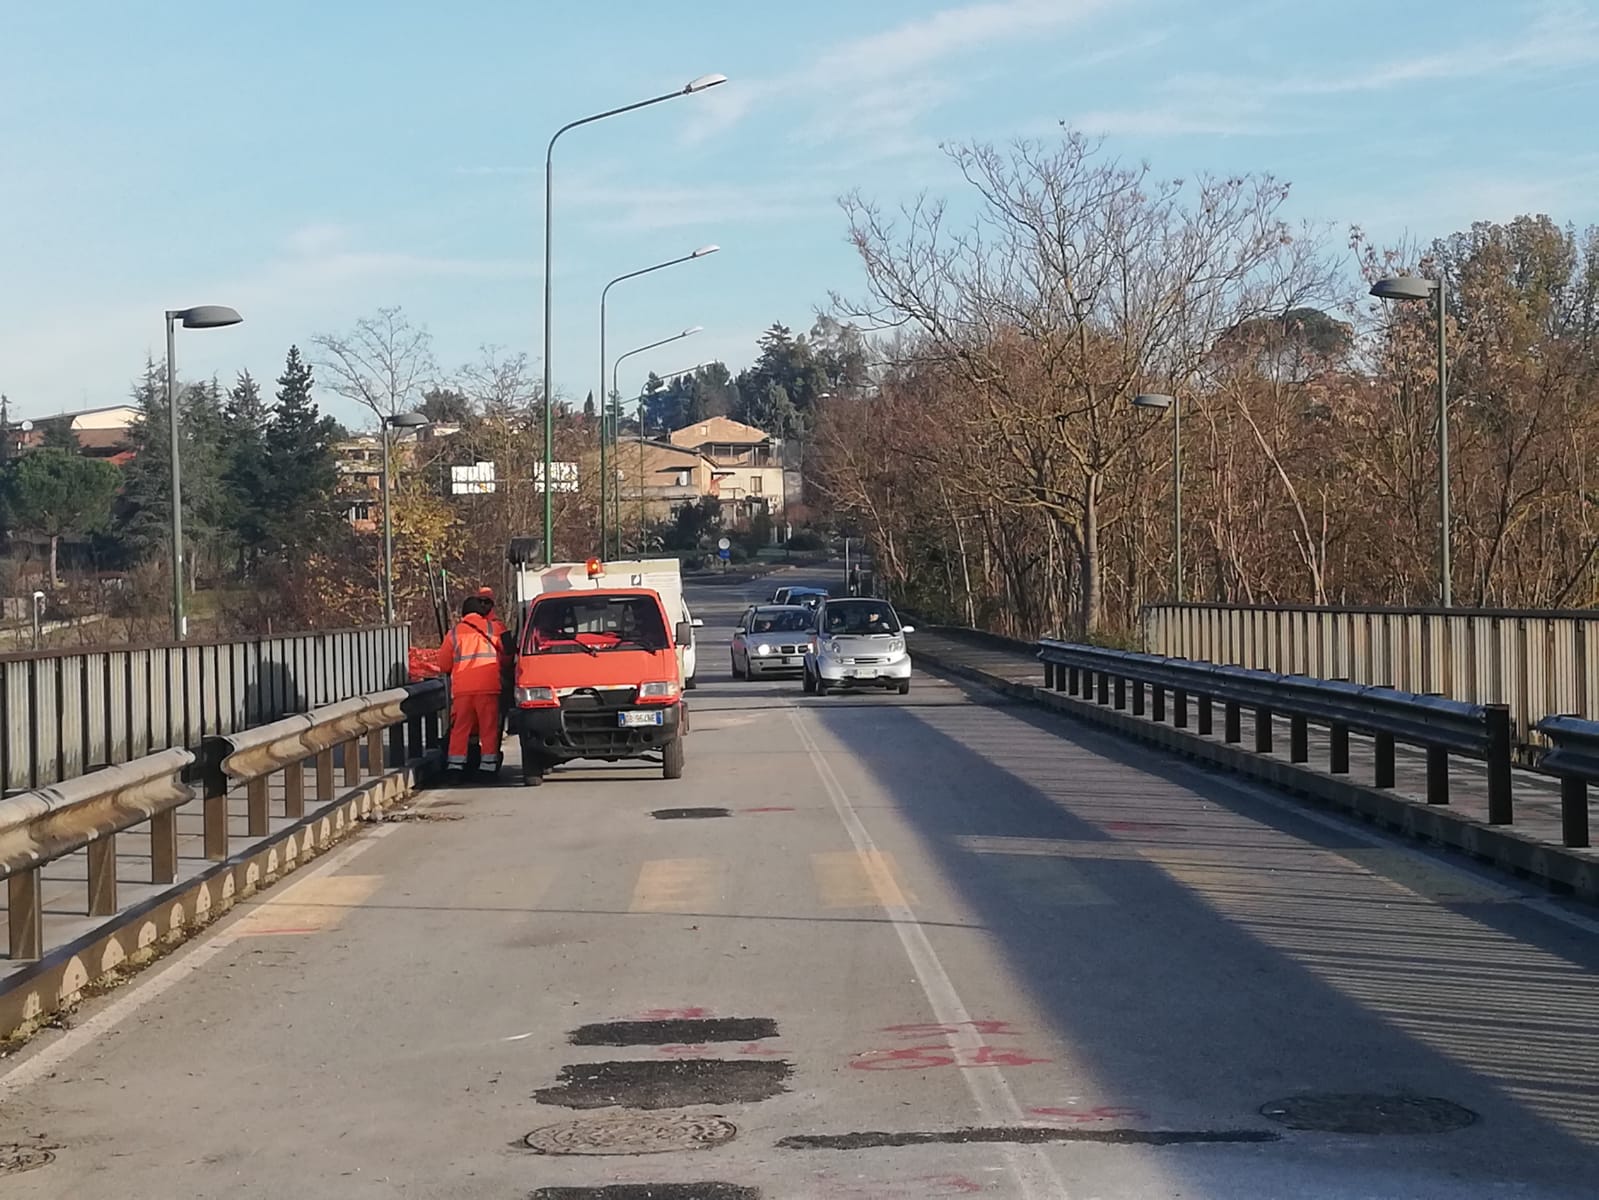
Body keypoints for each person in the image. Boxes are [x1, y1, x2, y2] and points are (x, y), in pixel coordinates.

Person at [437, 595, 508, 776]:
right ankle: (488, 766)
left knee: (460, 728)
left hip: (463, 690)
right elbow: (508, 656)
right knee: (488, 728)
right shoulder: (495, 628)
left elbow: (444, 665)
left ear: (463, 613)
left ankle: (455, 767)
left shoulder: (453, 634)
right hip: (489, 687)